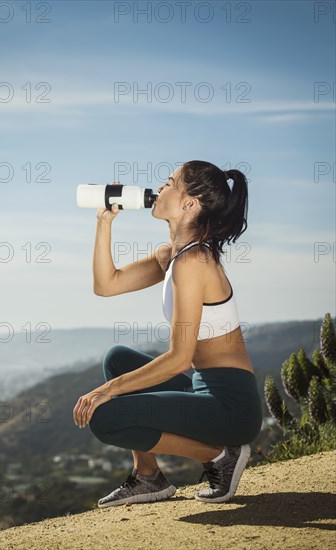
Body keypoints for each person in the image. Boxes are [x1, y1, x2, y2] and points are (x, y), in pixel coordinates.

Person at [73, 160, 263, 508]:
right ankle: (149, 477)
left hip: (232, 406)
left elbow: (179, 358)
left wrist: (105, 391)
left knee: (105, 416)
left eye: (170, 183)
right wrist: (104, 223)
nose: (160, 189)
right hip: (202, 389)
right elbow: (106, 284)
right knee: (117, 359)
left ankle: (220, 456)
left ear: (190, 204)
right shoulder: (173, 256)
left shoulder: (195, 264)